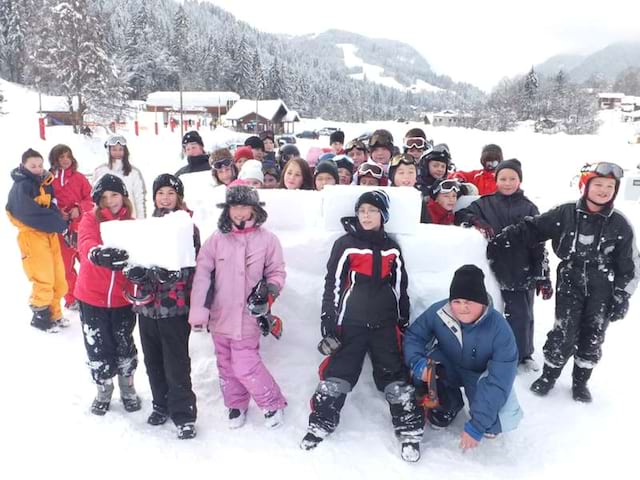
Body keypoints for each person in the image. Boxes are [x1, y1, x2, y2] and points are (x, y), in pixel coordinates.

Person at [489, 162, 638, 402]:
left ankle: (581, 382)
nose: (603, 190)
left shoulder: (620, 223)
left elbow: (630, 264)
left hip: (604, 283)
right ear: (585, 186)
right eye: (598, 184)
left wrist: (622, 295)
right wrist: (504, 239)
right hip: (571, 277)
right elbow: (533, 228)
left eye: (610, 186)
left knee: (594, 334)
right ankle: (549, 375)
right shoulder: (565, 213)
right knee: (564, 330)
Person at [300, 191, 424, 462]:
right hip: (352, 322)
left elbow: (401, 283)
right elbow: (332, 283)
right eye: (362, 211)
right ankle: (321, 423)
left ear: (383, 216)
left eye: (372, 211)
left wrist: (403, 318)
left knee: (394, 375)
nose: (366, 216)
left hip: (385, 322)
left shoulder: (392, 246)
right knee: (339, 373)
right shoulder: (346, 244)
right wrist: (329, 322)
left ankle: (409, 430)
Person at [189, 181, 287, 429]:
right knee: (225, 364)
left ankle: (272, 402)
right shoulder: (216, 240)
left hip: (248, 315)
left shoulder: (268, 240)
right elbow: (202, 275)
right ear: (227, 209)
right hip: (220, 314)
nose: (240, 212)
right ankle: (235, 404)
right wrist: (199, 311)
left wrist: (269, 293)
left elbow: (276, 271)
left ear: (255, 208)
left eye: (245, 206)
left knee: (245, 364)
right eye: (235, 207)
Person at [404, 265, 522, 450]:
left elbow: (500, 379)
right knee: (424, 372)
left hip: (480, 375)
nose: (462, 308)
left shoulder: (500, 329)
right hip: (448, 365)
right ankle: (449, 405)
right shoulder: (440, 313)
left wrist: (477, 425)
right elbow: (414, 336)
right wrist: (417, 363)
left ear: (482, 302)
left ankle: (483, 417)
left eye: (469, 302)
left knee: (491, 423)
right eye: (457, 301)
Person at [456, 159, 551, 371]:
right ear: (496, 180)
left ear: (520, 181)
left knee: (523, 315)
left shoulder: (528, 207)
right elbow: (460, 215)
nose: (507, 183)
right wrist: (476, 222)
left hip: (521, 268)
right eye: (503, 178)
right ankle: (499, 353)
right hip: (494, 266)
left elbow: (539, 243)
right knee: (495, 314)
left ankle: (523, 354)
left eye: (512, 179)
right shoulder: (485, 203)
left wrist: (543, 275)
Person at [124, 174, 199, 439]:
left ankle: (184, 414)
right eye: (160, 193)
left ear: (179, 196)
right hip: (147, 307)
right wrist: (136, 273)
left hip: (174, 307)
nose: (165, 198)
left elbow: (194, 265)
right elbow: (134, 259)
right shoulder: (148, 226)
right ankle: (160, 404)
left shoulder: (187, 226)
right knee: (153, 360)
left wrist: (175, 276)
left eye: (171, 193)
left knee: (176, 363)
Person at [74, 174, 141, 416]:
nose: (110, 201)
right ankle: (103, 388)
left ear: (123, 196)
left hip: (123, 299)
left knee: (124, 342)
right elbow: (86, 243)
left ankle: (127, 387)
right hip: (92, 297)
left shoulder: (133, 224)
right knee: (97, 344)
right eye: (104, 197)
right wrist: (97, 254)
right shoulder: (90, 220)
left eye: (114, 195)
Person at [6, 148, 68, 332]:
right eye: (33, 166)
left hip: (49, 235)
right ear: (23, 166)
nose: (37, 169)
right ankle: (41, 318)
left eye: (40, 165)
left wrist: (59, 220)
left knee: (58, 277)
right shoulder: (21, 186)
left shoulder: (46, 182)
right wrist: (57, 222)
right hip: (32, 236)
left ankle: (55, 314)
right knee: (43, 278)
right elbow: (28, 213)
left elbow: (52, 205)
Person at [48, 144, 93, 311]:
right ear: (54, 159)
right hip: (60, 230)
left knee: (88, 263)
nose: (65, 160)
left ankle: (90, 295)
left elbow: (91, 199)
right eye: (61, 157)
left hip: (80, 228)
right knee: (65, 267)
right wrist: (56, 212)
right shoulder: (48, 179)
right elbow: (44, 201)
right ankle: (72, 297)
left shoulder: (80, 178)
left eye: (68, 156)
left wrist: (79, 208)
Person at [94, 135, 147, 219]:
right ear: (109, 151)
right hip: (105, 217)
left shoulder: (134, 172)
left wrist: (141, 220)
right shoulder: (100, 171)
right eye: (114, 149)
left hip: (128, 217)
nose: (117, 152)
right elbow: (95, 198)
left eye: (120, 149)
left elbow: (139, 198)